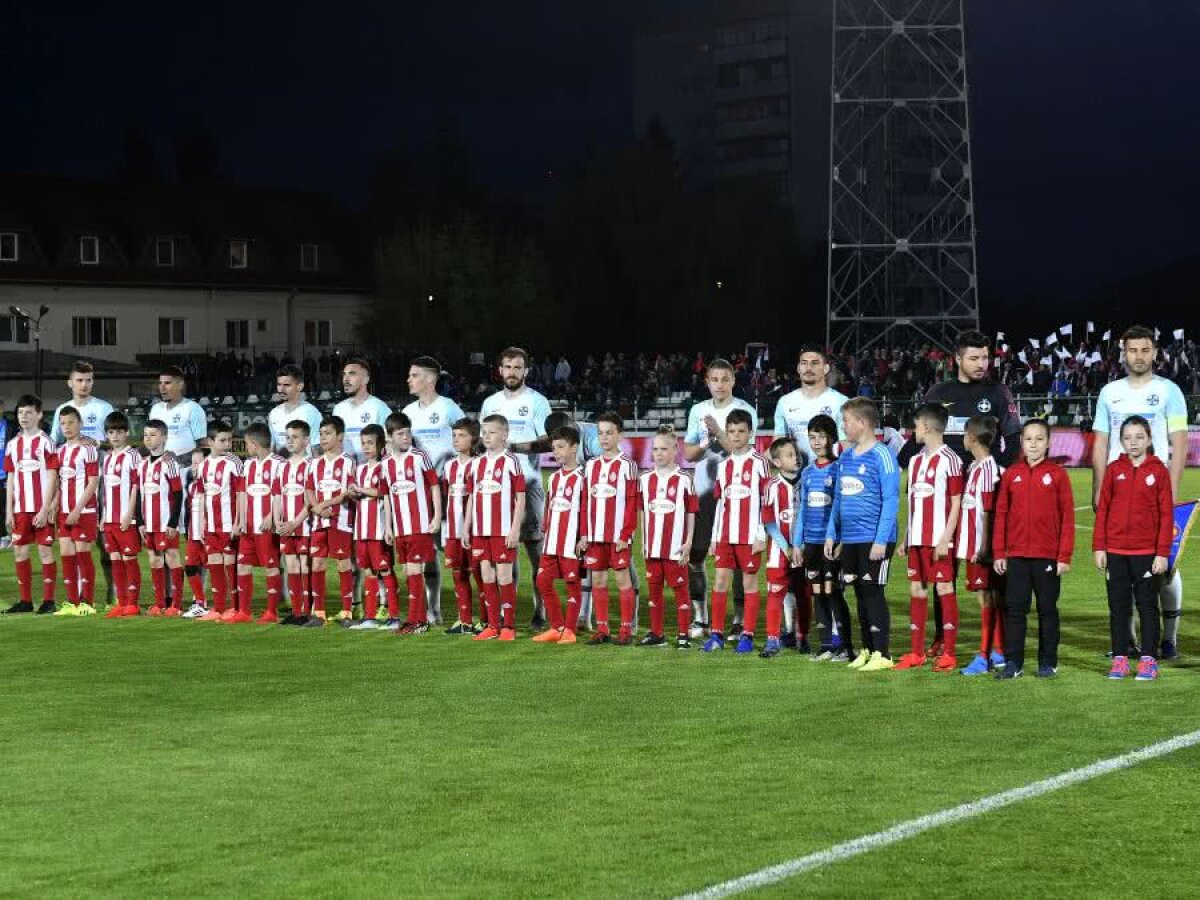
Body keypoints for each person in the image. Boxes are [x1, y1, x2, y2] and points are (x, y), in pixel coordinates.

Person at [899, 331, 1021, 658]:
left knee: (988, 569)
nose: (982, 364)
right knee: (943, 572)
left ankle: (998, 641)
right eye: (975, 358)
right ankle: (941, 637)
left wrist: (997, 475)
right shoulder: (940, 392)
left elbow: (1014, 441)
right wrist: (898, 462)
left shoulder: (998, 392)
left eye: (986, 358)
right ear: (958, 359)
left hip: (980, 495)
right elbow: (920, 435)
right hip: (944, 496)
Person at [1091, 325, 1188, 659]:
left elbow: (1179, 443)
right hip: (1119, 490)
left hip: (1155, 490)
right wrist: (1097, 487)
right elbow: (1101, 442)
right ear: (1123, 352)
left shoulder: (1169, 391)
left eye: (1145, 350)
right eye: (1133, 350)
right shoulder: (1109, 393)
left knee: (1167, 566)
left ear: (1155, 352)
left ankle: (1169, 639)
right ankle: (1127, 642)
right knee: (1121, 567)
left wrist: (1171, 492)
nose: (1139, 356)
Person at [993, 419, 1075, 679]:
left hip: (1047, 556)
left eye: (1039, 439)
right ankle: (1013, 662)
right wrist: (999, 552)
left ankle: (1048, 662)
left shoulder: (1058, 475)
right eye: (1029, 439)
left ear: (1049, 443)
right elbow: (1001, 515)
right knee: (1015, 611)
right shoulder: (1011, 474)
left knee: (1047, 610)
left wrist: (1064, 556)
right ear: (1021, 442)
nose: (1034, 444)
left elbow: (1068, 518)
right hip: (1016, 555)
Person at [1094, 415, 1173, 681]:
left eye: (1139, 437)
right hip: (1115, 552)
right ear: (1121, 441)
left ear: (1149, 439)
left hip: (1146, 554)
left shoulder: (1159, 471)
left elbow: (1166, 515)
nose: (1133, 442)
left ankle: (1149, 660)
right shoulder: (1114, 470)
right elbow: (1103, 508)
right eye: (1127, 438)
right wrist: (1099, 546)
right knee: (1118, 608)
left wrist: (1162, 552)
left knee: (1148, 607)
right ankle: (1120, 659)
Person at [825, 398, 900, 673]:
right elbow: (838, 500)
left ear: (863, 422)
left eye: (846, 421)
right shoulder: (845, 456)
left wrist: (881, 539)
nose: (843, 426)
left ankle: (883, 652)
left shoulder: (882, 454)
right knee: (858, 592)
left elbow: (891, 499)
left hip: (874, 539)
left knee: (873, 593)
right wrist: (833, 534)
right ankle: (867, 649)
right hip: (851, 539)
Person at [684, 358, 758, 636]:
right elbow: (688, 454)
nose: (719, 385)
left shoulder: (744, 409)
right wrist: (707, 441)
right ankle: (700, 617)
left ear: (733, 381)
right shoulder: (697, 410)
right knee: (696, 553)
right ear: (707, 382)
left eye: (725, 379)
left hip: (737, 496)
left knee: (739, 556)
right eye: (714, 380)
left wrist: (718, 431)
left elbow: (745, 453)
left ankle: (738, 619)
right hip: (704, 491)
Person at [479, 347, 552, 629]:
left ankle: (540, 611)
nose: (512, 372)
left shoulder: (537, 401)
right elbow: (483, 440)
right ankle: (505, 611)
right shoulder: (490, 403)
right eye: (507, 366)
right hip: (497, 490)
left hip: (529, 483)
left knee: (535, 549)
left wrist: (515, 447)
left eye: (517, 367)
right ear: (500, 370)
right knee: (505, 551)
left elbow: (548, 440)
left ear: (526, 371)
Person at [895, 403, 963, 672]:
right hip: (918, 539)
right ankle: (916, 652)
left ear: (926, 426)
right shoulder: (915, 460)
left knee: (944, 589)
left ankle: (949, 653)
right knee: (917, 589)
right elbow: (914, 504)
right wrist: (906, 537)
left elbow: (956, 503)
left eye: (916, 425)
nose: (914, 431)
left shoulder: (952, 460)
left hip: (939, 540)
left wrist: (946, 537)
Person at [403, 356, 466, 624]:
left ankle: (470, 610)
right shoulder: (408, 412)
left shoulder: (449, 408)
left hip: (448, 488)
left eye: (414, 375)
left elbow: (466, 441)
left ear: (430, 379)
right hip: (419, 492)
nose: (409, 379)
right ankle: (434, 608)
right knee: (426, 548)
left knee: (453, 549)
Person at [701, 408, 770, 653]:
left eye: (741, 431)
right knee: (720, 583)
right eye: (732, 431)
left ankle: (747, 635)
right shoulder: (724, 466)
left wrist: (761, 535)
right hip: (725, 535)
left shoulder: (760, 463)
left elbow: (765, 501)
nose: (737, 435)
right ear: (727, 434)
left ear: (750, 433)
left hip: (750, 535)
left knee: (749, 584)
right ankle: (717, 635)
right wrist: (713, 537)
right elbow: (720, 504)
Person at [463, 415, 526, 641]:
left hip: (502, 531)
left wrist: (515, 529)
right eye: (484, 432)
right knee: (486, 575)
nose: (486, 436)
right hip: (481, 530)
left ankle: (508, 626)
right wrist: (466, 527)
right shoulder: (476, 463)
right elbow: (472, 497)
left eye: (492, 432)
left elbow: (520, 497)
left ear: (505, 435)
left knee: (503, 576)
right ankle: (492, 624)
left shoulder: (511, 461)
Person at [793, 415, 850, 661]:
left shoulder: (838, 469)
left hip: (831, 543)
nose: (816, 442)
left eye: (822, 437)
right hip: (812, 543)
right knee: (817, 592)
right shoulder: (807, 472)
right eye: (812, 437)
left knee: (833, 591)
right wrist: (797, 543)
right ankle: (827, 644)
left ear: (832, 438)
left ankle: (844, 645)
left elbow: (842, 507)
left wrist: (838, 538)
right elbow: (803, 509)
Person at [582, 412, 640, 646]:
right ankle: (602, 629)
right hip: (595, 535)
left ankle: (625, 630)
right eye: (601, 433)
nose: (604, 438)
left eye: (609, 433)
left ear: (620, 435)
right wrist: (585, 533)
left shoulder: (628, 465)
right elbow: (586, 501)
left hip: (617, 536)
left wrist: (626, 534)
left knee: (623, 582)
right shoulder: (591, 466)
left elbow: (631, 503)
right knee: (598, 581)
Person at [381, 412, 442, 634]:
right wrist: (388, 526)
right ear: (390, 437)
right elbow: (386, 495)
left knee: (416, 571)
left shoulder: (419, 456)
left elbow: (434, 486)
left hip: (420, 525)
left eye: (408, 432)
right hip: (400, 527)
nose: (406, 437)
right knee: (409, 572)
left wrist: (435, 516)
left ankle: (418, 621)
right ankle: (415, 618)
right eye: (400, 433)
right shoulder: (386, 463)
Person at [956, 417, 1008, 676]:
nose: (963, 438)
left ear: (973, 438)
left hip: (981, 549)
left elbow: (989, 511)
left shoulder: (988, 469)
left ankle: (988, 653)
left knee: (987, 599)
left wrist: (985, 548)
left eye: (965, 434)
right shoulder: (975, 467)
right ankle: (996, 650)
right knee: (986, 599)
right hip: (973, 547)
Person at [639, 425, 697, 648]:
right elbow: (643, 514)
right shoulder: (645, 480)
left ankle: (683, 634)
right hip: (652, 548)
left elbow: (691, 512)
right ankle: (657, 634)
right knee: (654, 592)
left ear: (675, 450)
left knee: (680, 590)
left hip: (675, 547)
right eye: (655, 449)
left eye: (664, 449)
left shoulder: (684, 479)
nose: (659, 453)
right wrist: (644, 542)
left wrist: (688, 542)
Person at [531, 426, 586, 644]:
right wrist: (545, 527)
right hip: (552, 541)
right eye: (554, 448)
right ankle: (556, 626)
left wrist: (584, 536)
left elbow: (587, 509)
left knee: (572, 584)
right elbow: (550, 506)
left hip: (571, 541)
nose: (556, 451)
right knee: (543, 581)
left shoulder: (583, 477)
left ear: (574, 448)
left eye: (561, 447)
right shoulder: (553, 478)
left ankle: (570, 630)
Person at [347, 424, 399, 631]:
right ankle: (369, 617)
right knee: (368, 571)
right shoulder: (359, 469)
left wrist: (359, 489)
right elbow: (357, 493)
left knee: (385, 570)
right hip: (362, 529)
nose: (366, 447)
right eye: (363, 443)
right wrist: (353, 492)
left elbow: (381, 492)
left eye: (370, 443)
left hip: (379, 528)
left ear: (380, 444)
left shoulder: (385, 466)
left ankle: (394, 617)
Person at [305, 416, 357, 626]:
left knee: (343, 563)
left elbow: (350, 492)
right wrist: (317, 506)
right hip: (319, 522)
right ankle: (319, 613)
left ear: (340, 436)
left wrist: (325, 506)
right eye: (321, 433)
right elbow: (308, 489)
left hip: (341, 520)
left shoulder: (348, 462)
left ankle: (347, 613)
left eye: (328, 433)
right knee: (317, 562)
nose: (323, 437)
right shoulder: (314, 463)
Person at [53, 406, 100, 616]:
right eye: (63, 423)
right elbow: (59, 482)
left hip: (84, 511)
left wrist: (77, 509)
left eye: (71, 422)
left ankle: (88, 603)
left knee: (83, 553)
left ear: (79, 423)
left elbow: (93, 482)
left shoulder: (88, 449)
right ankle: (72, 602)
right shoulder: (60, 451)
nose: (67, 427)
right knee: (66, 553)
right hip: (64, 511)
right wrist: (54, 506)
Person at [194, 420, 243, 622]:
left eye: (229, 440)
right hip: (212, 524)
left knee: (230, 564)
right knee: (214, 562)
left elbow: (241, 494)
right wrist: (202, 523)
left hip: (229, 523)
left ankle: (235, 607)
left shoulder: (234, 463)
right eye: (222, 440)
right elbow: (203, 495)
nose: (227, 444)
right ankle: (218, 608)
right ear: (210, 441)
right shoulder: (204, 465)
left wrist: (238, 522)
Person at [760, 436, 803, 659]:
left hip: (804, 549)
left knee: (803, 594)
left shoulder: (807, 482)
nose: (795, 458)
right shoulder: (772, 487)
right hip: (779, 551)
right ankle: (772, 639)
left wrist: (800, 546)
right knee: (776, 593)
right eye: (789, 455)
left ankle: (800, 637)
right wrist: (785, 547)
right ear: (777, 463)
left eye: (795, 453)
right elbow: (768, 522)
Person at [237, 423, 284, 623]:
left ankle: (272, 611)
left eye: (247, 443)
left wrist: (272, 517)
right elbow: (242, 493)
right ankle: (244, 612)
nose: (246, 447)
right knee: (243, 566)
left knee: (270, 567)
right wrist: (239, 520)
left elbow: (280, 493)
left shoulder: (279, 464)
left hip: (267, 527)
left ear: (255, 444)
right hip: (248, 526)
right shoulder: (248, 464)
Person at [138, 420, 184, 616]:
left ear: (164, 437)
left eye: (153, 434)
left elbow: (178, 494)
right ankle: (160, 603)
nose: (148, 438)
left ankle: (177, 604)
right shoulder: (142, 464)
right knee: (155, 560)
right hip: (148, 522)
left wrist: (173, 522)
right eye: (146, 435)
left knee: (172, 558)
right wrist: (139, 522)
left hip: (166, 522)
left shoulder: (170, 463)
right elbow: (140, 494)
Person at [442, 418, 484, 634]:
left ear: (474, 439)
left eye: (462, 435)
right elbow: (444, 496)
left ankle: (485, 620)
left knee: (479, 574)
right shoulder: (449, 466)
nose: (456, 440)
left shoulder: (480, 464)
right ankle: (464, 620)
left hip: (476, 531)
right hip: (453, 530)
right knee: (458, 574)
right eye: (454, 435)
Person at [773, 347, 848, 465]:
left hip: (829, 475)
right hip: (797, 478)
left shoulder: (840, 402)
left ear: (826, 368)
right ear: (798, 368)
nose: (808, 368)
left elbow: (847, 446)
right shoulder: (785, 402)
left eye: (815, 363)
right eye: (804, 363)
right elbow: (778, 446)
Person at [100, 411, 142, 617]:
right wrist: (103, 517)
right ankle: (121, 602)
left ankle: (133, 603)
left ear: (126, 433)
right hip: (109, 519)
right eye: (110, 432)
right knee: (115, 558)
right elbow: (106, 490)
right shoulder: (107, 458)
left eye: (118, 432)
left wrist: (130, 513)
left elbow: (136, 486)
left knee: (128, 558)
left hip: (126, 517)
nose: (114, 436)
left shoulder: (133, 456)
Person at [274, 421, 314, 626]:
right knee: (291, 566)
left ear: (306, 440)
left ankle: (307, 611)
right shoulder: (282, 467)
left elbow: (310, 501)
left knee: (304, 566)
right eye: (287, 437)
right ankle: (296, 611)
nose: (290, 441)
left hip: (305, 525)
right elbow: (277, 496)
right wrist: (277, 521)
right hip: (286, 527)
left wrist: (295, 522)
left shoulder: (311, 465)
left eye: (295, 437)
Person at [332, 358, 393, 463]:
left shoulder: (379, 408)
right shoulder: (338, 409)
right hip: (345, 474)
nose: (346, 379)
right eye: (344, 374)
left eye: (352, 374)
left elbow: (390, 444)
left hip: (372, 474)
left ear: (366, 380)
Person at [49, 360, 115, 445]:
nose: (84, 385)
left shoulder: (105, 408)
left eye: (88, 380)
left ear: (92, 382)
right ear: (70, 383)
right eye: (79, 380)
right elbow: (53, 441)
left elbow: (117, 440)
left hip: (99, 457)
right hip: (71, 457)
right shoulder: (61, 409)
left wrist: (96, 443)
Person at [149, 366, 209, 457]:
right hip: (159, 468)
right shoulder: (155, 409)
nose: (162, 388)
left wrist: (180, 460)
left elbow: (203, 446)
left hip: (184, 469)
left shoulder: (193, 409)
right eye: (160, 383)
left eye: (167, 383)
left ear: (180, 385)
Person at [180, 448, 211, 619]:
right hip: (194, 535)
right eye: (192, 462)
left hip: (210, 534)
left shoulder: (212, 486)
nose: (193, 466)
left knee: (218, 568)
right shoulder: (192, 486)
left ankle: (233, 606)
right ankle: (200, 602)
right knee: (191, 567)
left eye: (198, 462)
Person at [268, 364, 322, 453]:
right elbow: (272, 448)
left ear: (299, 386)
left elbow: (317, 448)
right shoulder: (274, 414)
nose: (281, 389)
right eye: (279, 384)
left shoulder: (311, 413)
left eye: (287, 385)